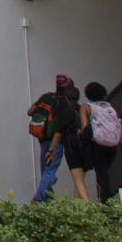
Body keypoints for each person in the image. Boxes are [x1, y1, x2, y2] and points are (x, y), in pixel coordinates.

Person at [28, 73, 80, 202]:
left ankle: (47, 202)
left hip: (42, 139)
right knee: (49, 172)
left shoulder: (46, 96)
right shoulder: (64, 104)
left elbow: (30, 111)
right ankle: (38, 200)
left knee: (46, 172)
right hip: (56, 143)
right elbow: (59, 131)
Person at [83, 81, 122, 201]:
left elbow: (85, 129)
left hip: (98, 144)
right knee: (104, 173)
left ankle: (105, 203)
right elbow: (119, 129)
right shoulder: (109, 107)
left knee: (101, 175)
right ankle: (105, 199)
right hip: (113, 145)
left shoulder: (88, 107)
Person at [62, 79, 93, 202]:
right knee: (80, 180)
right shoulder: (83, 109)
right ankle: (76, 208)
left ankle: (88, 205)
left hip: (72, 148)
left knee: (78, 180)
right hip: (85, 147)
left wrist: (52, 149)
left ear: (66, 98)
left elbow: (60, 132)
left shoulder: (66, 111)